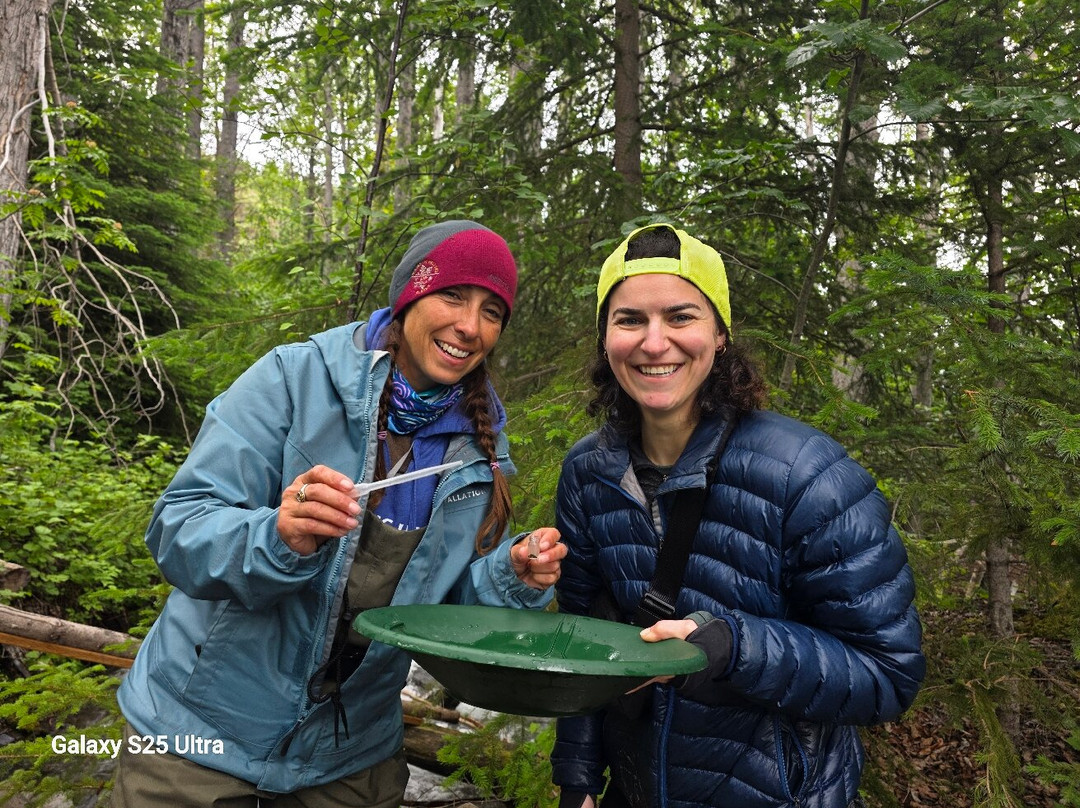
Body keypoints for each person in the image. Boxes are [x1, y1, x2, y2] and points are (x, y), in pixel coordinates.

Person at [112, 220, 566, 807]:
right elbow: (178, 528)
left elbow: (438, 619)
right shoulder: (293, 380)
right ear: (408, 296)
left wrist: (509, 576)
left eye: (492, 312)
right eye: (452, 296)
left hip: (348, 762)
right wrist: (275, 535)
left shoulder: (479, 454)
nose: (470, 326)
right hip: (196, 740)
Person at [550, 223, 924, 808]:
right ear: (605, 339)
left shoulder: (808, 476)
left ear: (720, 333)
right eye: (629, 320)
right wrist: (577, 781)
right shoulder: (588, 472)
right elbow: (580, 641)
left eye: (680, 317)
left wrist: (731, 648)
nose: (654, 342)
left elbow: (887, 675)